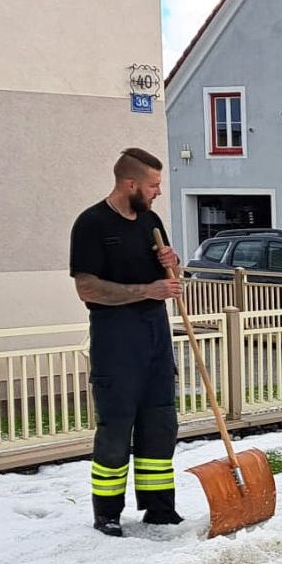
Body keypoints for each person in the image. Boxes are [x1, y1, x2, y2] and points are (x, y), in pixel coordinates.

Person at [69, 148, 185, 537]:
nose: (158, 193)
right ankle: (108, 512)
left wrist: (173, 263)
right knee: (116, 429)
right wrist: (148, 290)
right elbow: (88, 289)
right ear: (131, 184)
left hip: (155, 338)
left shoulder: (150, 221)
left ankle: (159, 507)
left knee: (160, 423)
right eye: (153, 185)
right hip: (116, 341)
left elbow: (169, 277)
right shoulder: (92, 224)